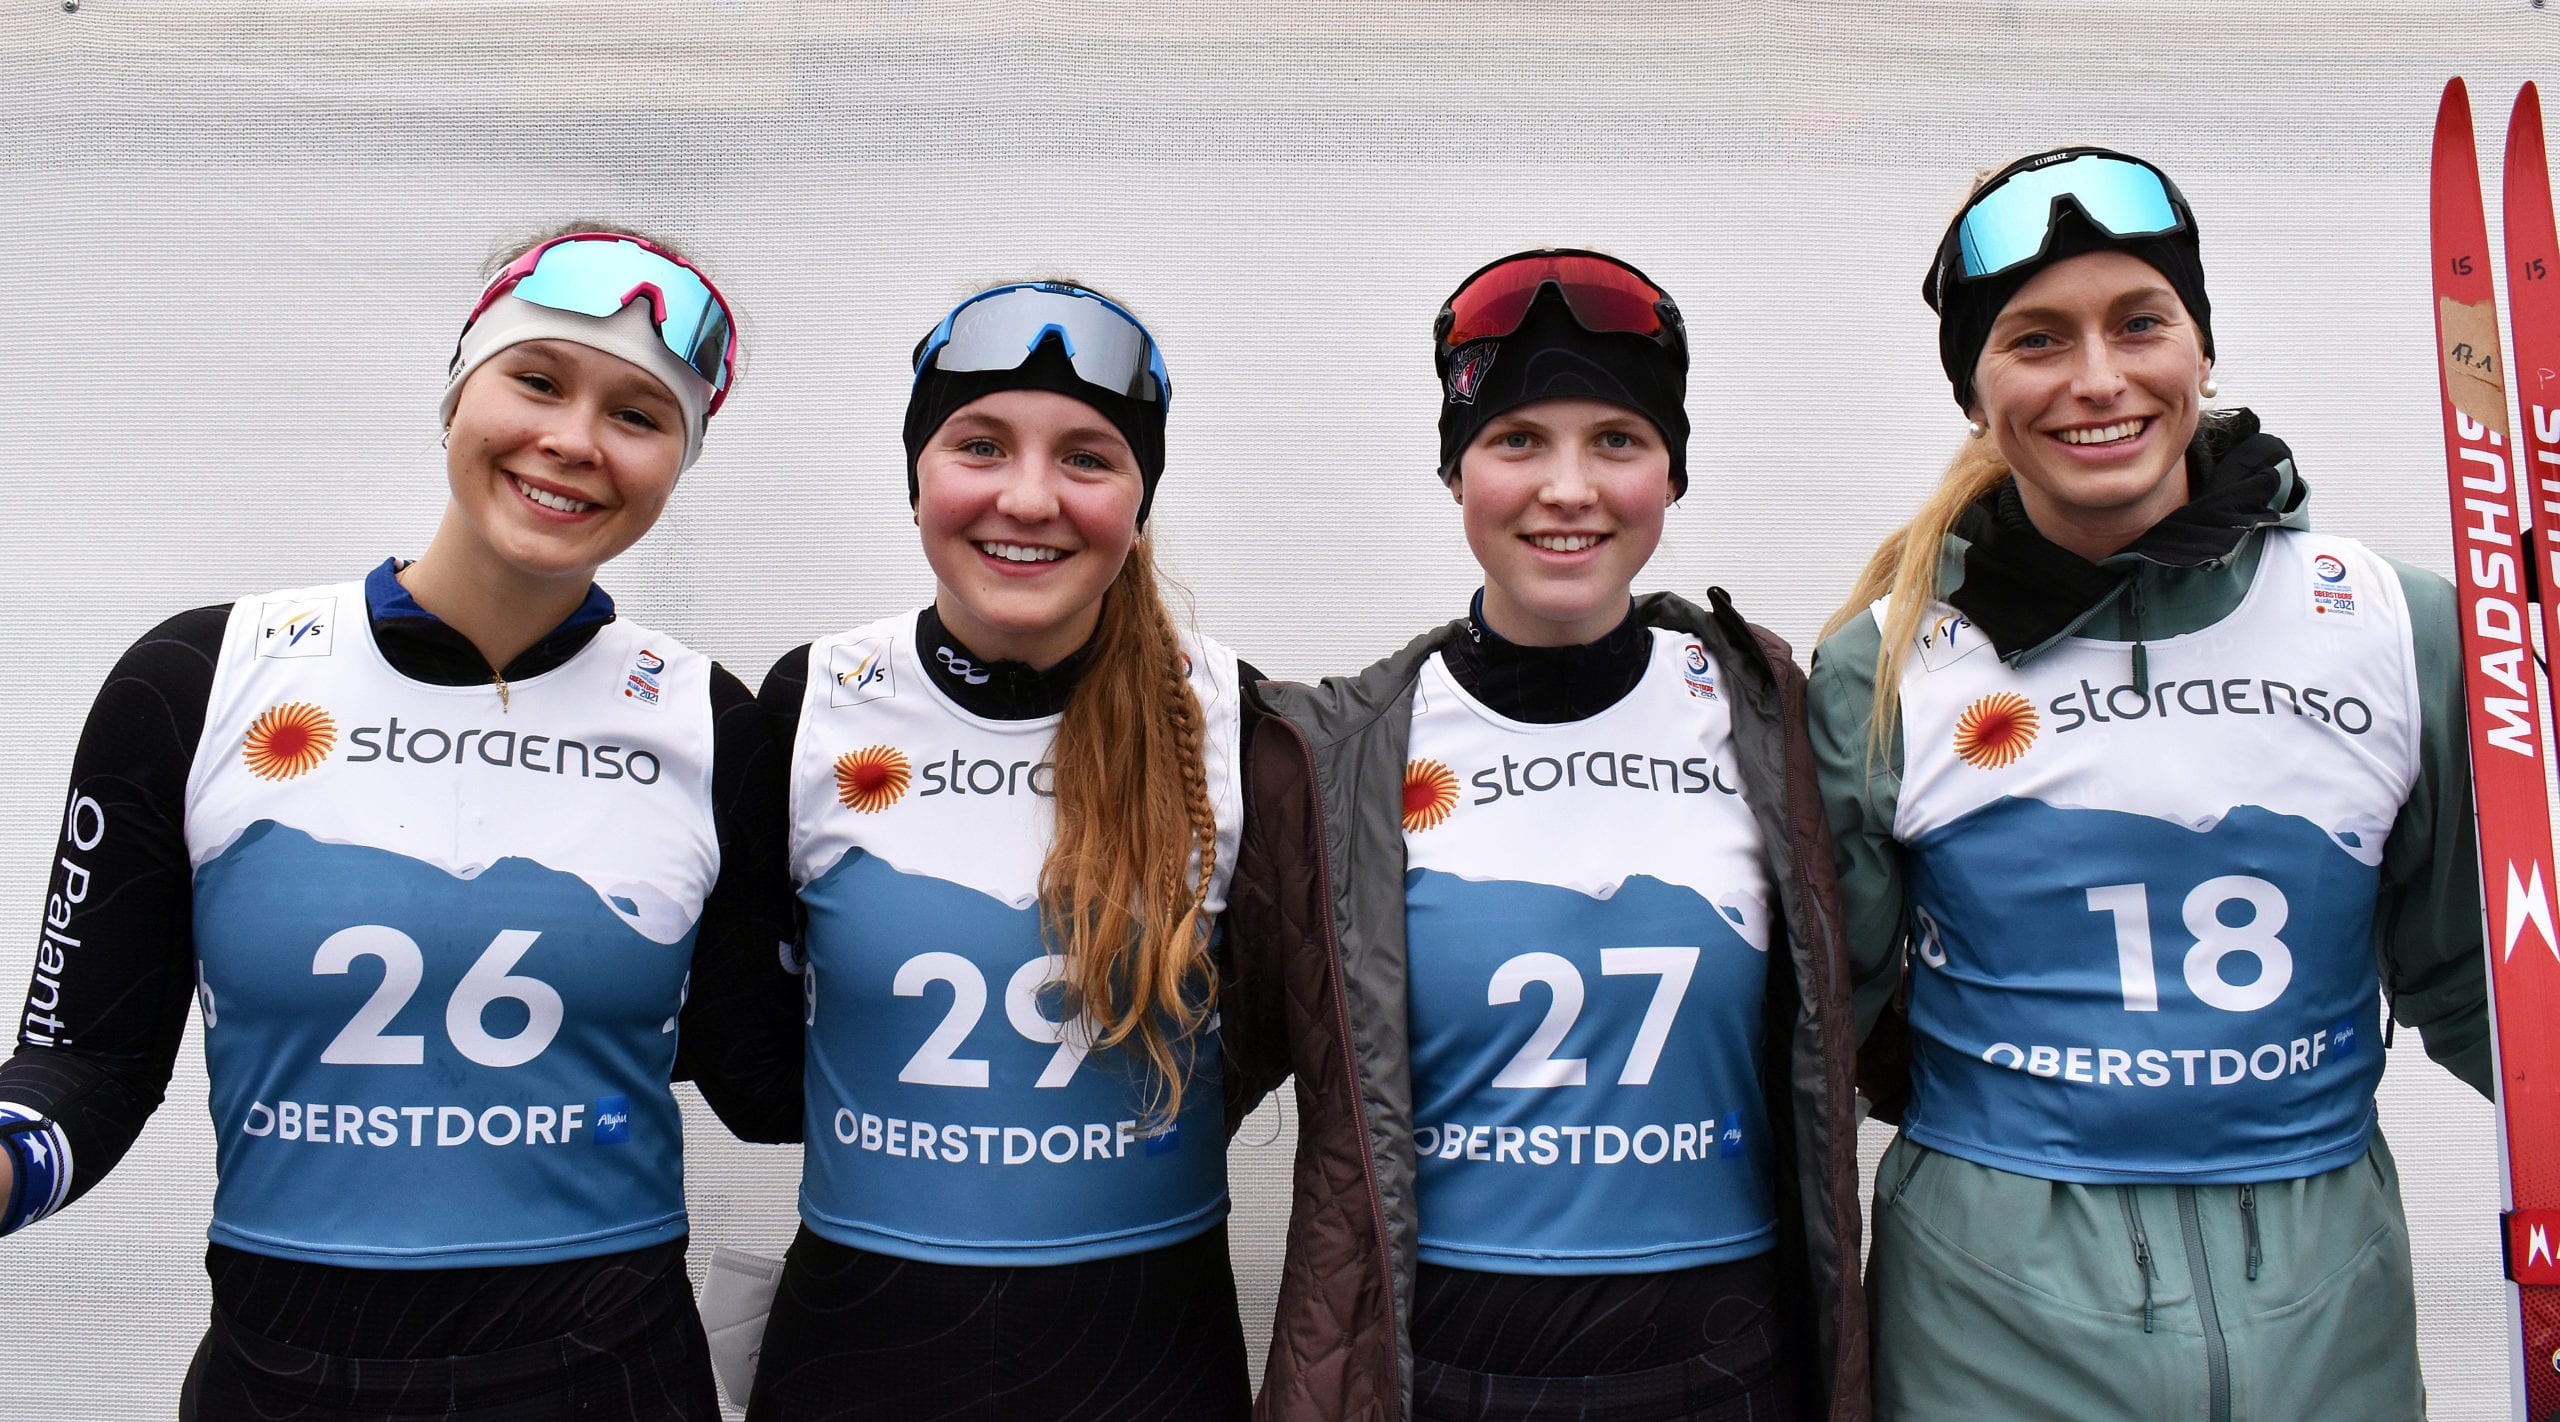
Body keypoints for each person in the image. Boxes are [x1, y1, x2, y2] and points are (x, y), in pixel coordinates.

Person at [0, 227, 801, 1417]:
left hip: (610, 1377)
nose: (573, 440)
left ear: (677, 463)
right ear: (455, 392)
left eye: (639, 416)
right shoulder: (199, 675)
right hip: (282, 1374)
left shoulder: (710, 719)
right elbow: (89, 1062)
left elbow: (766, 1083)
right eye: (537, 379)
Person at [1809, 147, 2492, 1418]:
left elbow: (2477, 975)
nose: (2096, 380)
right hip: (1992, 1307)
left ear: (2202, 349)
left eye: (2140, 322)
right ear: (1975, 388)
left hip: (2321, 1290)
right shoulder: (1887, 666)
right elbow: (1818, 1027)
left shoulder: (2394, 624)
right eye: (2034, 340)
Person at [1221, 250, 1867, 1422]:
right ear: (1456, 470)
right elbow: (1222, 1053)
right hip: (1448, 1362)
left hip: (1728, 1357)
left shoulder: (1773, 713)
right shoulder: (1335, 753)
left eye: (1616, 440)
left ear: (1670, 472)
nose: (1566, 488)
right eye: (1517, 440)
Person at [746, 281, 1260, 1420]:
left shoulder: (1237, 719)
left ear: (1138, 500)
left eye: (1088, 458)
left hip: (1146, 1354)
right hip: (862, 1348)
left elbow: (1276, 1027)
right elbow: (750, 1064)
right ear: (917, 478)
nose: (1028, 499)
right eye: (979, 445)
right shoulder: (810, 701)